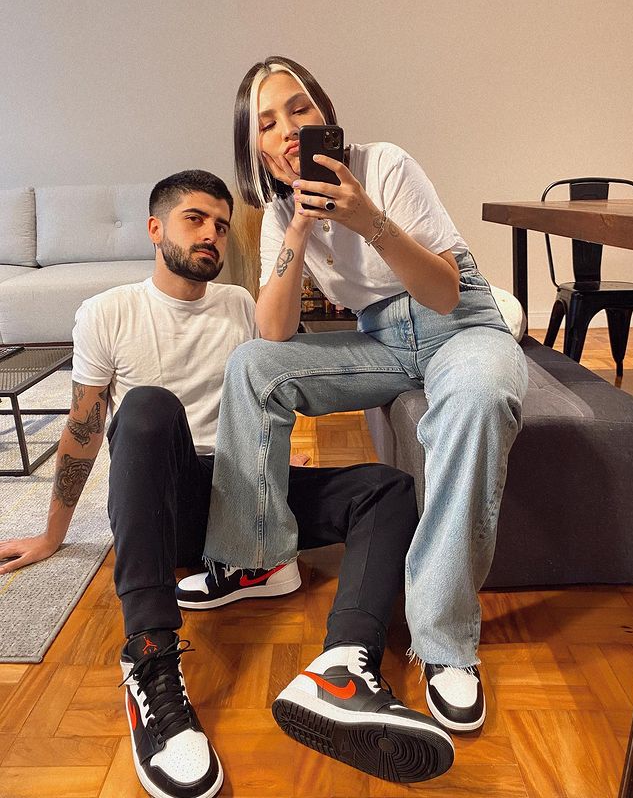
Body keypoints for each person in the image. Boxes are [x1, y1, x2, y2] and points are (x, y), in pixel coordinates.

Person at [0, 170, 454, 798]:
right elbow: (81, 429)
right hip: (173, 499)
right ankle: (151, 659)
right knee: (148, 408)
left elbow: (284, 358)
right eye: (195, 219)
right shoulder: (107, 312)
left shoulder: (243, 304)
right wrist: (54, 534)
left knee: (388, 488)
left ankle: (345, 666)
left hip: (251, 491)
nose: (211, 234)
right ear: (155, 228)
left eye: (219, 224)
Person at [200, 56, 529, 737]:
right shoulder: (281, 211)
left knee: (478, 397)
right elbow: (273, 330)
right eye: (267, 122)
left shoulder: (384, 166)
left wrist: (370, 221)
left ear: (324, 113)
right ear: (255, 146)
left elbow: (442, 291)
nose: (288, 129)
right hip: (381, 340)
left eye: (299, 109)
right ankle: (260, 559)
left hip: (458, 322)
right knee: (254, 366)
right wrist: (295, 233)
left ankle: (443, 643)